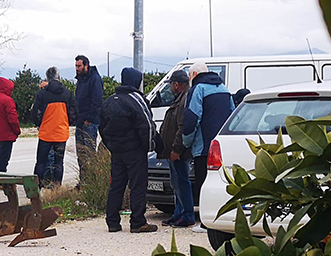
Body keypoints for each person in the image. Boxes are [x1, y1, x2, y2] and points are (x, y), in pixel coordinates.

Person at [100, 67, 158, 233]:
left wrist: (110, 145)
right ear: (136, 81)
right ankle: (137, 222)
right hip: (135, 150)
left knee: (116, 185)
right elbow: (146, 124)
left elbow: (102, 126)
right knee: (138, 185)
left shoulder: (110, 100)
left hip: (116, 150)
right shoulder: (136, 99)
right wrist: (149, 147)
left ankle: (112, 222)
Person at [182, 61, 234, 232]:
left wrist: (185, 142)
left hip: (203, 147)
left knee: (203, 185)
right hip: (222, 147)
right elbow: (232, 115)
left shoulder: (198, 89)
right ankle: (224, 220)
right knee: (222, 184)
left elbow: (192, 118)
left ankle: (205, 223)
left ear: (194, 75)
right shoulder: (224, 89)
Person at [158, 70, 196, 227]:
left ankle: (187, 215)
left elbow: (182, 127)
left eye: (172, 85)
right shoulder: (180, 99)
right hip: (174, 151)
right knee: (176, 182)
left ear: (176, 84)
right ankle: (178, 213)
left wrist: (176, 149)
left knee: (182, 182)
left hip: (179, 152)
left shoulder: (184, 100)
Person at [30, 66, 77, 187]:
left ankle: (37, 187)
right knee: (59, 163)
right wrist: (68, 122)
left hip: (46, 134)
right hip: (61, 134)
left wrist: (39, 124)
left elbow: (36, 113)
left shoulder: (42, 94)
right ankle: (56, 187)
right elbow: (73, 113)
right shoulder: (67, 94)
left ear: (47, 78)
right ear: (59, 77)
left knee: (41, 162)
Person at [73, 54, 104, 186]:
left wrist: (89, 119)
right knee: (80, 153)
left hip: (89, 122)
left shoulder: (95, 79)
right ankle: (83, 181)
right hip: (80, 121)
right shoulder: (80, 80)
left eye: (79, 66)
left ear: (86, 65)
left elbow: (97, 100)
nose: (77, 68)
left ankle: (92, 181)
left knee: (89, 153)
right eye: (76, 66)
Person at [0, 77, 20, 172]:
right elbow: (12, 119)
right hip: (7, 134)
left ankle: (0, 179)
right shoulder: (7, 100)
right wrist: (17, 131)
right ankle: (2, 180)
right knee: (4, 159)